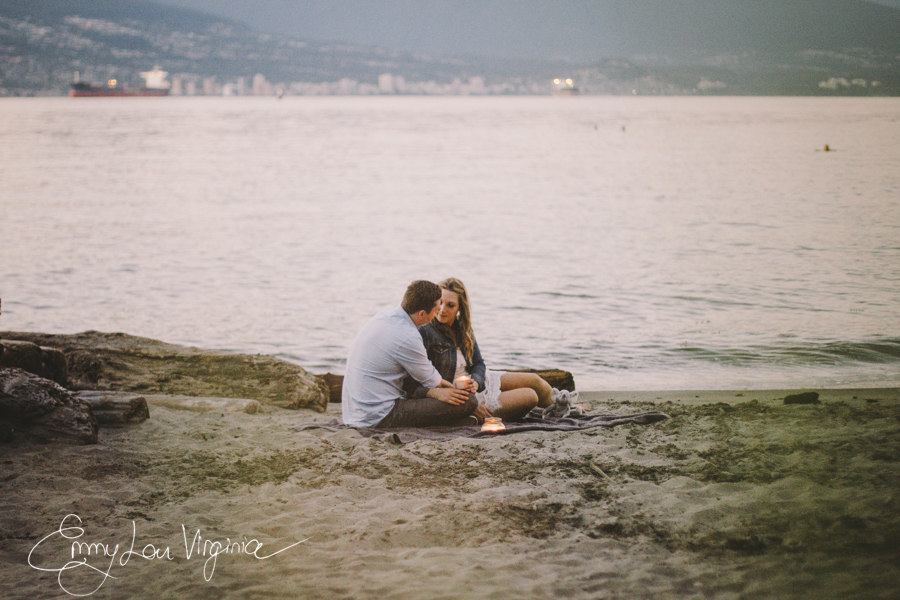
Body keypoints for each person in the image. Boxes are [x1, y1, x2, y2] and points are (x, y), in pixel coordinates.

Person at [405, 277, 553, 422]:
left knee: (535, 381)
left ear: (459, 308)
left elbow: (478, 363)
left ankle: (563, 408)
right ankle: (470, 416)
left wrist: (476, 381)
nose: (442, 310)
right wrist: (470, 404)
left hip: (475, 382)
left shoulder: (463, 327)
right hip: (457, 394)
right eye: (440, 303)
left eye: (450, 305)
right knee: (530, 396)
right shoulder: (424, 332)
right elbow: (420, 380)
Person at [341, 280, 478, 428]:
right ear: (422, 314)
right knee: (468, 401)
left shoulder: (383, 317)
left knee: (453, 399)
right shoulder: (408, 336)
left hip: (355, 411)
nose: (438, 312)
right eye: (435, 309)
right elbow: (432, 381)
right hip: (379, 415)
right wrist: (456, 392)